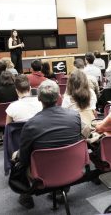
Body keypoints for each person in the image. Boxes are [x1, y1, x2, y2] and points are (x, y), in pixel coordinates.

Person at [15, 80, 82, 209]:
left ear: (39, 98)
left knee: (17, 159)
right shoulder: (75, 116)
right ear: (58, 97)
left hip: (42, 173)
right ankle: (60, 190)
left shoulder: (31, 125)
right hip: (72, 167)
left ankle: (25, 195)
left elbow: (23, 158)